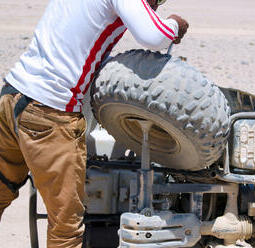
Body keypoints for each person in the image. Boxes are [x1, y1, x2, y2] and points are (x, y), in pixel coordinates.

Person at [0, 0, 189, 247]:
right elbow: (155, 36)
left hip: (12, 97)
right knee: (66, 228)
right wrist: (175, 24)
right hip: (50, 113)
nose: (153, 5)